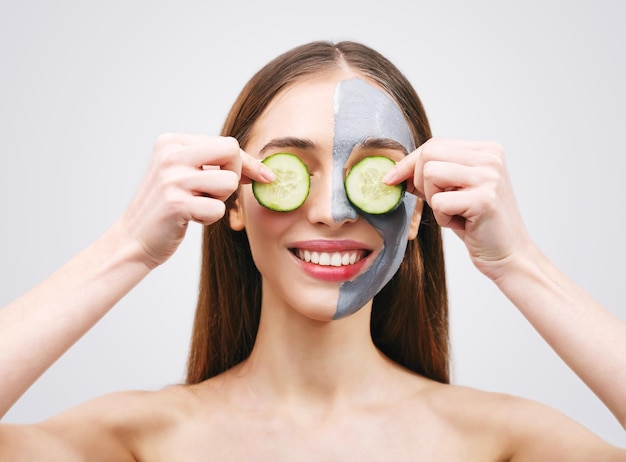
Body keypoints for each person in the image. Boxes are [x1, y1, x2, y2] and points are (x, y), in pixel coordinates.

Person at [0, 40, 624, 460]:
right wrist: (127, 247)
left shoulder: (500, 443)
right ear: (235, 200)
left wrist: (519, 265)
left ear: (415, 214)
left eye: (375, 174)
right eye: (289, 169)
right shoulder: (138, 441)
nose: (331, 209)